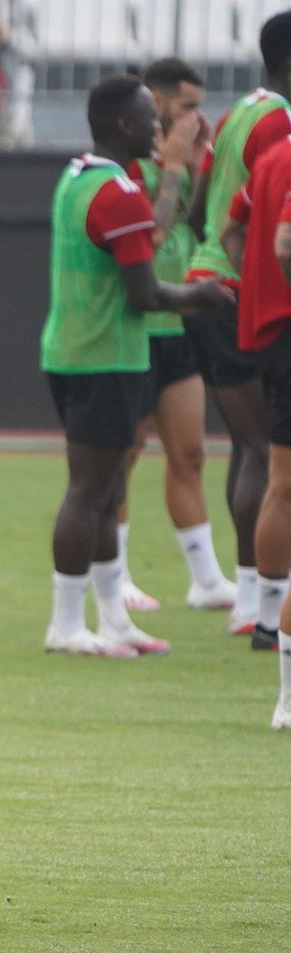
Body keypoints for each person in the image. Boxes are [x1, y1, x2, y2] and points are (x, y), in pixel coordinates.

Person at [40, 74, 232, 658]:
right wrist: (204, 294)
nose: (161, 126)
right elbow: (146, 291)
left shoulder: (78, 174)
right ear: (124, 126)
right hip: (104, 357)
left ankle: (112, 620)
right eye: (152, 117)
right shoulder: (119, 191)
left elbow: (142, 238)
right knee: (88, 492)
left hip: (76, 350)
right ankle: (66, 624)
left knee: (105, 489)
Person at [184, 12, 291, 637]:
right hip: (233, 294)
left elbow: (204, 211)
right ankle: (257, 608)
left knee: (246, 447)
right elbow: (250, 223)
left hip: (205, 284)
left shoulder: (236, 114)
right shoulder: (280, 123)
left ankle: (251, 594)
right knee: (261, 451)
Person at [115, 58, 235, 614]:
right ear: (157, 103)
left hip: (178, 325)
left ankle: (206, 578)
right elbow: (154, 231)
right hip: (138, 324)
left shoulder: (184, 160)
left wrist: (196, 164)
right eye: (186, 105)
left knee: (189, 452)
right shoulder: (129, 164)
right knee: (124, 456)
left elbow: (192, 224)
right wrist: (174, 165)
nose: (196, 116)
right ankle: (113, 579)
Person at [218, 130, 291, 728]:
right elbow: (286, 240)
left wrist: (257, 295)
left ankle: (267, 617)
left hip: (274, 335)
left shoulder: (272, 157)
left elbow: (231, 229)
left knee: (281, 483)